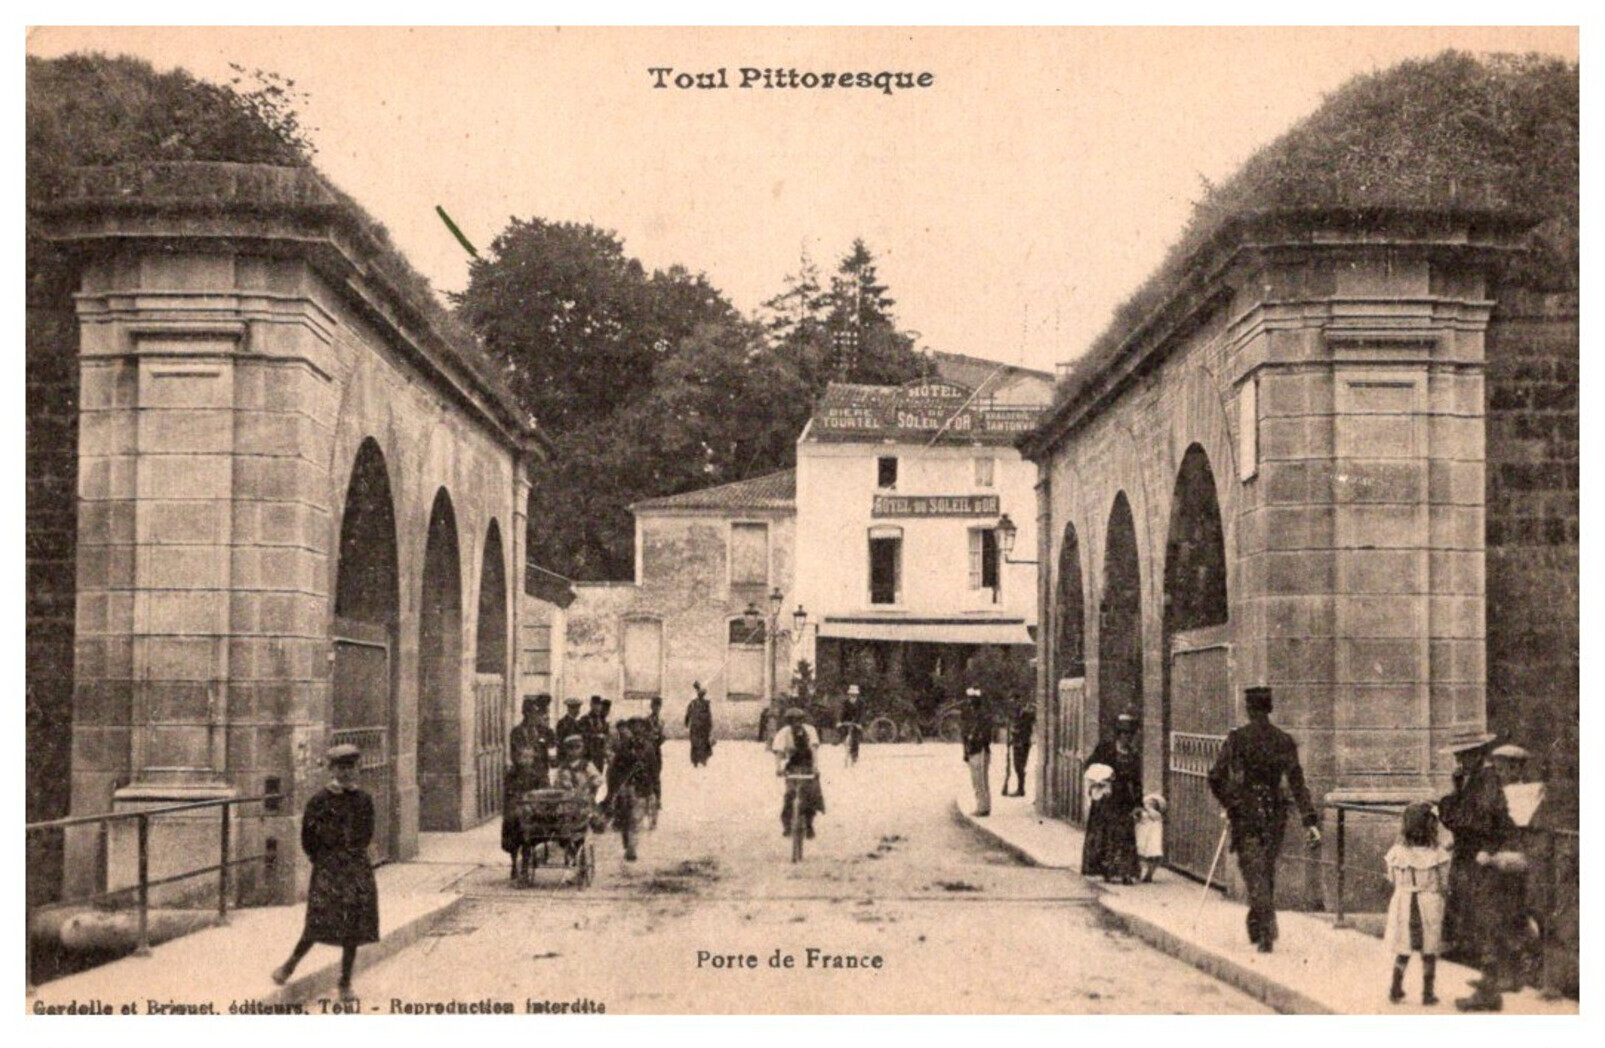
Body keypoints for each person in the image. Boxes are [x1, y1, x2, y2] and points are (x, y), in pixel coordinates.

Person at [1207, 686, 1321, 953]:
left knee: (1253, 869)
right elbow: (1297, 783)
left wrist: (1231, 802)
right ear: (1269, 708)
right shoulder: (1283, 740)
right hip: (1274, 814)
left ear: (1248, 709)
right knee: (1264, 869)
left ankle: (1265, 929)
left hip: (1245, 813)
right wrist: (1309, 820)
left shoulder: (1237, 739)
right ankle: (1260, 925)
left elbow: (1215, 776)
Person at [271, 744, 379, 1001]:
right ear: (332, 770)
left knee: (352, 925)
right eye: (340, 768)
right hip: (328, 869)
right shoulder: (319, 801)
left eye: (350, 767)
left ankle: (345, 982)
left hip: (355, 868)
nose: (346, 773)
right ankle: (289, 965)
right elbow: (308, 837)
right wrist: (322, 861)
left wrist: (354, 857)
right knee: (318, 920)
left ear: (357, 769)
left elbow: (366, 833)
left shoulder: (364, 800)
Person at [1443, 737, 1528, 1011]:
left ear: (1476, 754)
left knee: (1488, 922)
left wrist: (1486, 849)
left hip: (1486, 861)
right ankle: (1493, 982)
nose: (1459, 762)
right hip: (1482, 858)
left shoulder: (1485, 780)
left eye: (1463, 756)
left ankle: (1490, 990)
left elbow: (1482, 821)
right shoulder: (1478, 779)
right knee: (1487, 921)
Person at [1384, 801, 1452, 1006]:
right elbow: (1444, 882)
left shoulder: (1397, 852)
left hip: (1403, 902)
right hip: (1428, 903)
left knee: (1403, 948)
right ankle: (1427, 993)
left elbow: (1391, 878)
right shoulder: (1438, 854)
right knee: (1429, 950)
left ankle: (1395, 988)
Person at [1082, 712, 1143, 883]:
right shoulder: (1105, 749)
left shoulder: (1133, 755)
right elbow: (1089, 766)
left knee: (1124, 835)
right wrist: (1102, 778)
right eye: (1123, 733)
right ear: (1118, 734)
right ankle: (1107, 870)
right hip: (1106, 798)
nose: (1126, 737)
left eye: (1129, 734)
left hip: (1123, 799)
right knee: (1106, 835)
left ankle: (1125, 872)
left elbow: (1136, 781)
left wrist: (1138, 803)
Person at [603, 719, 653, 861]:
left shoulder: (648, 748)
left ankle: (632, 848)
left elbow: (653, 770)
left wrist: (653, 791)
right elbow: (613, 772)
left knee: (635, 819)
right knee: (625, 819)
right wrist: (613, 790)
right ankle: (627, 842)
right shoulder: (622, 750)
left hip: (639, 788)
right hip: (624, 788)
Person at [771, 706, 824, 838]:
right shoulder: (784, 733)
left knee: (811, 794)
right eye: (793, 720)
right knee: (790, 794)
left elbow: (814, 749)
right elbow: (779, 751)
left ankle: (809, 824)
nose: (797, 723)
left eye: (799, 720)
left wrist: (815, 767)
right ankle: (787, 825)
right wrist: (778, 768)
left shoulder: (810, 730)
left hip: (808, 765)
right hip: (792, 766)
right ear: (789, 722)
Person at [501, 746, 547, 879]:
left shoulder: (537, 774)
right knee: (512, 826)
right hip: (516, 806)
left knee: (529, 833)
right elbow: (508, 791)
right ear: (518, 758)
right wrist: (516, 798)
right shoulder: (512, 774)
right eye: (524, 757)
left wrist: (535, 799)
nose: (527, 760)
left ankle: (525, 864)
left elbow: (543, 790)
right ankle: (514, 863)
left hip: (531, 808)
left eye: (530, 757)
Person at [960, 687, 993, 817]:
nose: (970, 702)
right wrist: (965, 752)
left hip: (980, 750)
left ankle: (983, 807)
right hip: (972, 750)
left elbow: (986, 735)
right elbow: (964, 734)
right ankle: (981, 805)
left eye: (972, 699)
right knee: (976, 781)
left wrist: (976, 738)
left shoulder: (982, 716)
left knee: (981, 780)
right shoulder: (969, 715)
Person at [509, 695, 555, 782]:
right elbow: (519, 757)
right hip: (523, 779)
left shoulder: (544, 731)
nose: (541, 716)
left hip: (542, 777)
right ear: (527, 713)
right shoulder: (517, 732)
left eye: (543, 713)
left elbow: (553, 751)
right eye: (538, 713)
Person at [552, 734, 602, 806]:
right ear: (566, 750)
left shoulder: (586, 765)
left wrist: (589, 785)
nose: (574, 751)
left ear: (582, 749)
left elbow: (598, 779)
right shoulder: (563, 767)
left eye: (577, 747)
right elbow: (556, 783)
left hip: (584, 798)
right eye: (570, 748)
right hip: (567, 800)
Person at [1005, 700, 1035, 797]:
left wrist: (1015, 733)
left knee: (1019, 767)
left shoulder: (1025, 716)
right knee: (1018, 766)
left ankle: (1021, 788)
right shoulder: (1019, 716)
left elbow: (1025, 730)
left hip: (1021, 744)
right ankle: (1020, 788)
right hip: (1019, 743)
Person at [644, 696, 667, 821]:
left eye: (658, 706)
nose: (656, 708)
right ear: (651, 706)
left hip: (657, 751)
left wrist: (661, 738)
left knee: (657, 776)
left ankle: (657, 800)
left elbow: (662, 736)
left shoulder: (661, 722)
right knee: (648, 776)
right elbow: (644, 735)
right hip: (648, 751)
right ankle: (648, 801)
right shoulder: (646, 721)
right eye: (654, 705)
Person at [1136, 792, 1167, 883]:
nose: (1149, 804)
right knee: (1141, 855)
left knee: (1153, 856)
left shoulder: (1156, 815)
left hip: (1153, 837)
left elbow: (1153, 815)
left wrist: (1146, 808)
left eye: (1152, 803)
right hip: (1143, 835)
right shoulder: (1143, 813)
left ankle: (1149, 875)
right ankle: (1141, 874)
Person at [685, 681, 715, 767]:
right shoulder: (693, 703)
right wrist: (687, 721)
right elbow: (688, 713)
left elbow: (708, 716)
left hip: (701, 727)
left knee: (702, 743)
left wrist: (687, 722)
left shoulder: (705, 703)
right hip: (697, 727)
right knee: (696, 744)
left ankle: (701, 760)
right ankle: (697, 760)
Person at [581, 696, 610, 774]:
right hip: (588, 754)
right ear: (591, 705)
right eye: (595, 705)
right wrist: (596, 736)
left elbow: (606, 736)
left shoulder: (603, 720)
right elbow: (583, 736)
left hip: (599, 755)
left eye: (599, 705)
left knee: (598, 776)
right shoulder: (585, 719)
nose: (597, 707)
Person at [838, 684, 865, 767]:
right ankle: (842, 742)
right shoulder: (846, 702)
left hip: (857, 722)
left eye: (854, 695)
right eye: (851, 694)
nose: (852, 696)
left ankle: (855, 756)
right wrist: (840, 722)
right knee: (842, 733)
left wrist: (859, 723)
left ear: (857, 695)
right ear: (849, 694)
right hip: (847, 721)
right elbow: (842, 713)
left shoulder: (861, 703)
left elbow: (862, 714)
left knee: (855, 739)